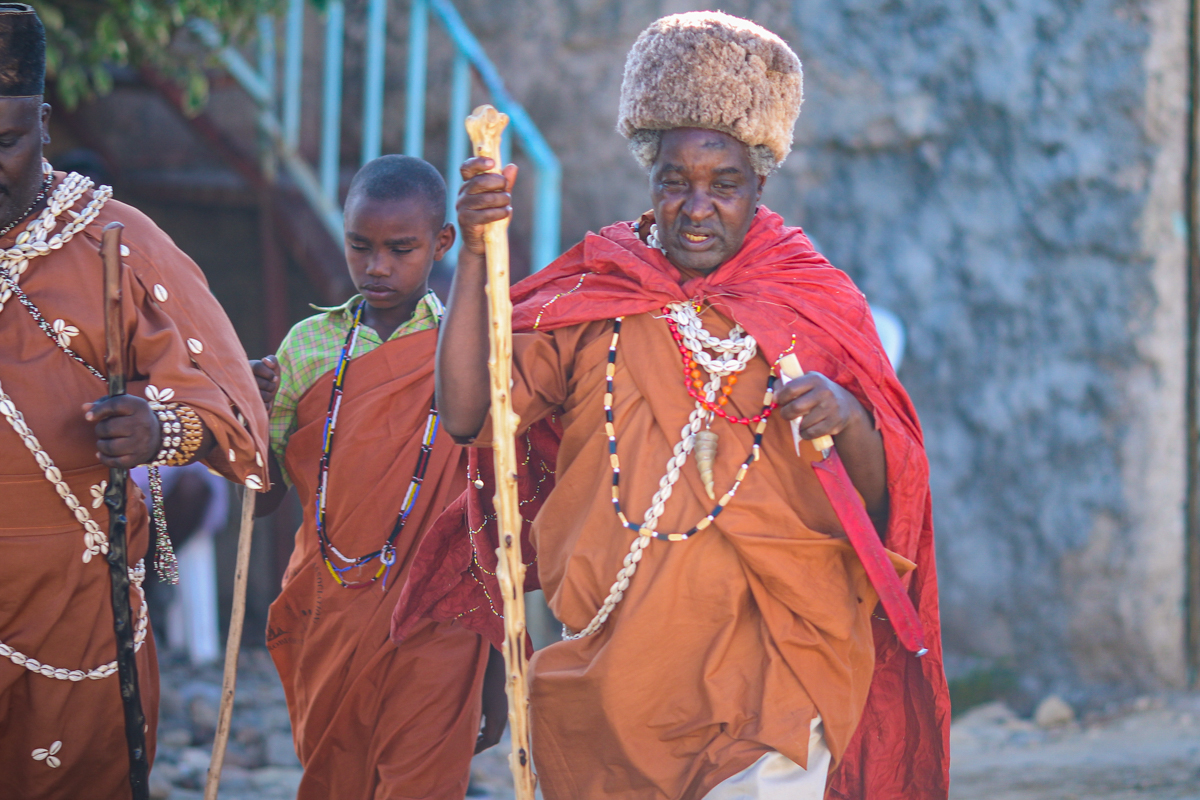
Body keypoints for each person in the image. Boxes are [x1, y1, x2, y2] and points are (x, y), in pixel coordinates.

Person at [395, 12, 950, 800]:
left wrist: (847, 417)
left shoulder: (811, 298)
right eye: (674, 183)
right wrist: (482, 248)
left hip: (780, 668)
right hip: (615, 685)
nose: (696, 208)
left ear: (760, 185)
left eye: (723, 186)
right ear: (648, 182)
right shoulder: (599, 293)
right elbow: (465, 413)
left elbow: (887, 496)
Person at [0, 5, 269, 797]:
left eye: (5, 141)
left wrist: (161, 427)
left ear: (44, 122)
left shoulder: (117, 242)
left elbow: (233, 405)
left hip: (74, 611)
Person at [251, 155, 506, 800]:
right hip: (330, 606)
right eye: (360, 246)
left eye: (400, 248)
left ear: (442, 243)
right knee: (335, 776)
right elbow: (266, 495)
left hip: (440, 616)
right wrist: (242, 424)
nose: (377, 267)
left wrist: (498, 668)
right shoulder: (307, 348)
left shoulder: (469, 349)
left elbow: (498, 511)